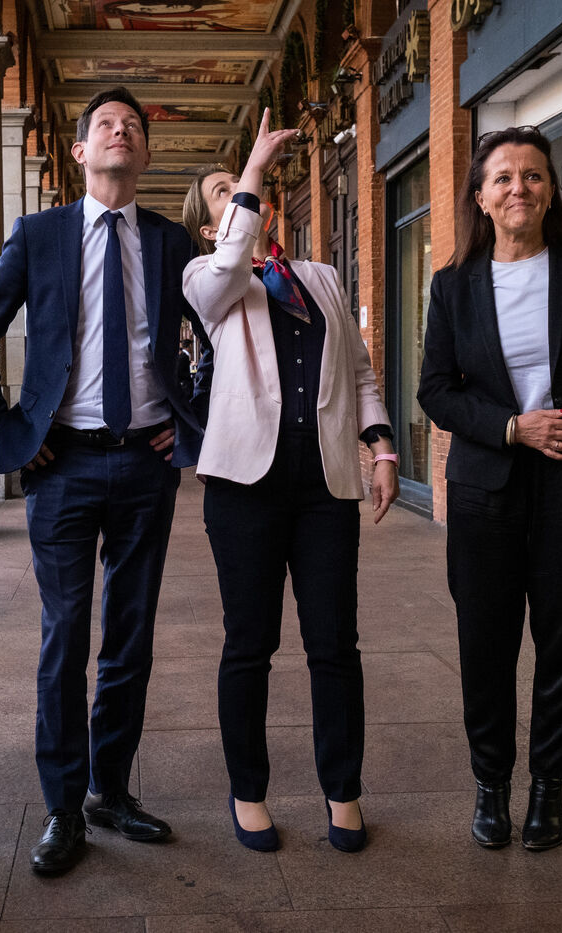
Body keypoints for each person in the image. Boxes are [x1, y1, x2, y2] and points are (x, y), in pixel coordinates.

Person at [0, 87, 205, 875]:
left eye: (133, 126)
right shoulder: (40, 234)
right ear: (79, 151)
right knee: (65, 636)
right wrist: (8, 428)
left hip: (145, 463)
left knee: (130, 635)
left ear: (146, 153)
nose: (120, 132)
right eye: (106, 124)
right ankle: (63, 806)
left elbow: (216, 335)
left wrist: (187, 419)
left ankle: (112, 790)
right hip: (61, 462)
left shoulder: (170, 241)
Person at [180, 109, 399, 854]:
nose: (240, 194)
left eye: (240, 187)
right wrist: (251, 168)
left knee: (335, 642)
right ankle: (248, 790)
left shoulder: (321, 278)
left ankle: (343, 789)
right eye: (222, 192)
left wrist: (381, 445)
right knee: (250, 642)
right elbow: (227, 267)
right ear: (210, 227)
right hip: (245, 485)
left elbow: (359, 371)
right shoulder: (208, 280)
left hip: (324, 482)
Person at [416, 125, 562, 852]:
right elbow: (435, 391)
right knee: (485, 642)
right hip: (487, 488)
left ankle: (548, 788)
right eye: (504, 177)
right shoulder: (453, 285)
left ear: (551, 190)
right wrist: (513, 428)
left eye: (534, 175)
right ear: (480, 197)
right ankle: (490, 784)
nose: (520, 188)